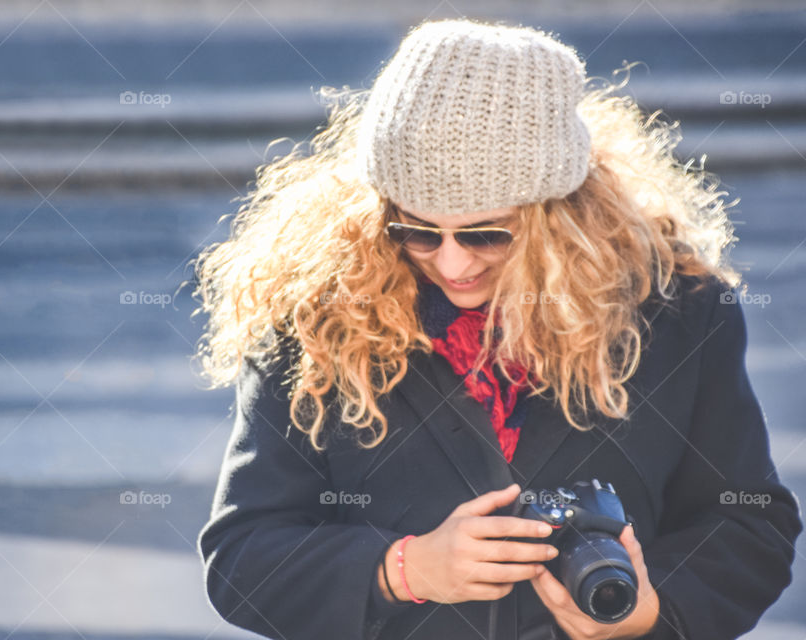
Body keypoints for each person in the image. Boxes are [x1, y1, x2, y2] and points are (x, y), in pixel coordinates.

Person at [192, 18, 802, 640]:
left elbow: (748, 523)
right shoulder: (315, 316)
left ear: (557, 215)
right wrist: (401, 571)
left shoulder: (674, 309)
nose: (453, 264)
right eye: (417, 231)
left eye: (487, 233)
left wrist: (652, 614)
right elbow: (243, 556)